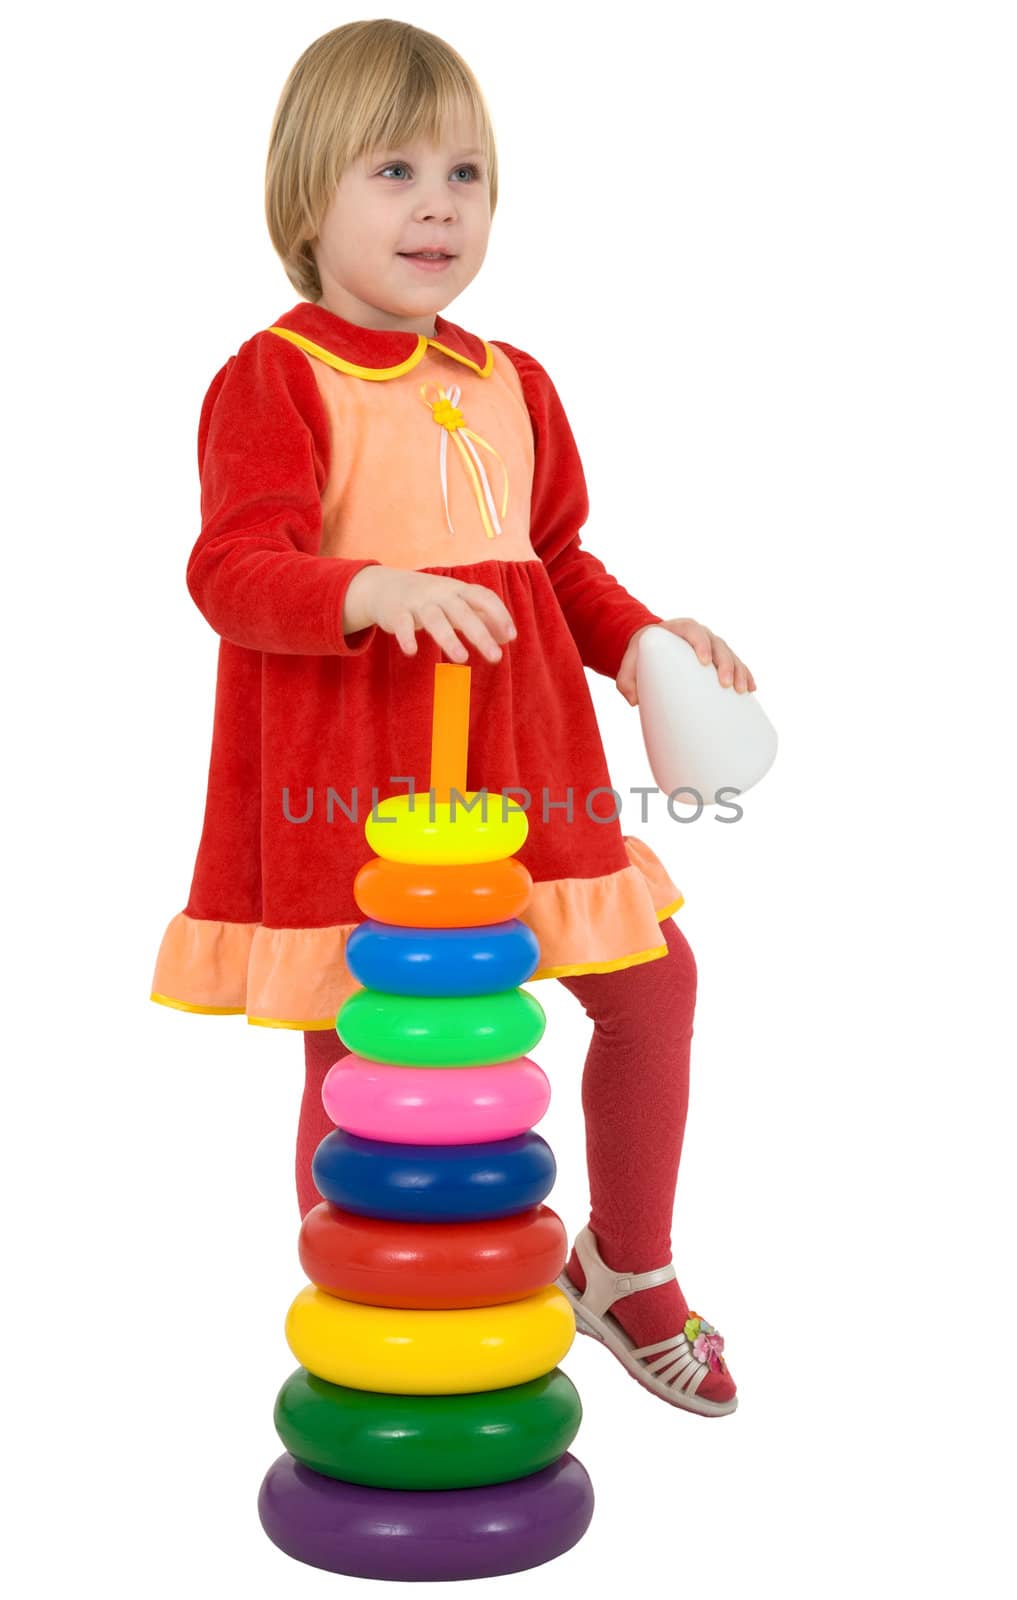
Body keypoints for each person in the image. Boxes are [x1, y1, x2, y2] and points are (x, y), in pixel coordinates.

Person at [150, 19, 756, 1417]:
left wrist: (648, 644)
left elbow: (559, 568)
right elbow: (230, 571)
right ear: (305, 199)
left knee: (651, 988)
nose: (438, 203)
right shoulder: (278, 377)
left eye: (467, 173)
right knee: (362, 1054)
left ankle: (627, 1268)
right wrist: (364, 588)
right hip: (364, 797)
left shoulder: (511, 383)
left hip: (531, 779)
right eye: (394, 169)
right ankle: (366, 1326)